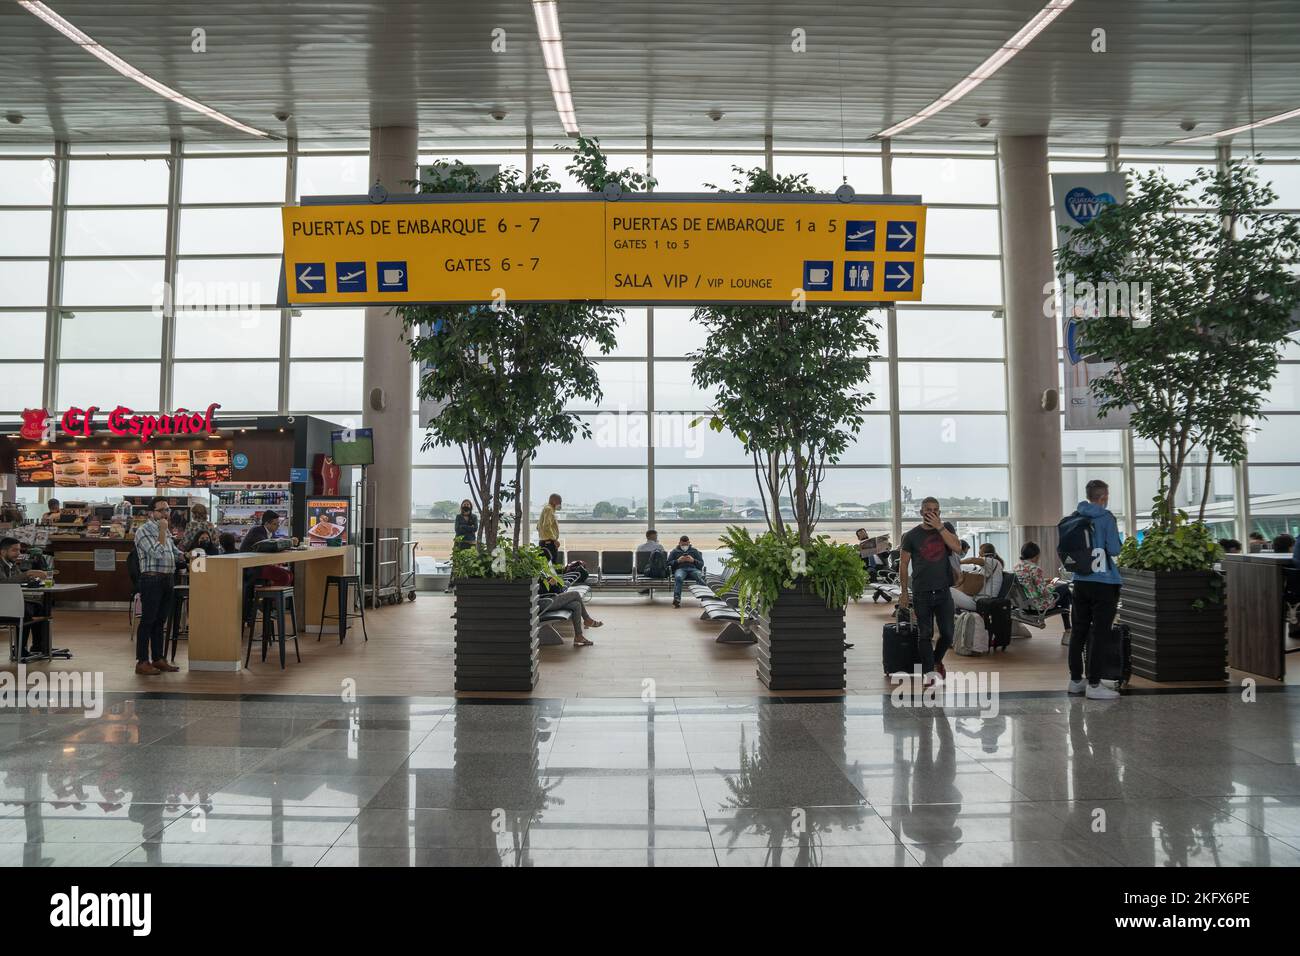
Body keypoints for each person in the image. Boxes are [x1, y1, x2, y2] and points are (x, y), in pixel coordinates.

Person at [1066, 479, 1124, 700]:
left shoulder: (1076, 516)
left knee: (1078, 630)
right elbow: (1114, 548)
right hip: (1104, 582)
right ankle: (1094, 683)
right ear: (1103, 497)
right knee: (1100, 632)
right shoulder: (1106, 517)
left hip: (1080, 581)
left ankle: (1075, 680)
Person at [898, 497, 961, 685]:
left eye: (935, 510)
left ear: (939, 513)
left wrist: (940, 527)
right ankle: (929, 673)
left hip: (943, 592)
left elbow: (957, 548)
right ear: (921, 512)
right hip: (921, 592)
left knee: (948, 634)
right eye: (927, 509)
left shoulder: (946, 529)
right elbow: (903, 564)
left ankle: (935, 660)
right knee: (925, 634)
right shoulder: (910, 536)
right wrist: (903, 592)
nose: (931, 512)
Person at [132, 497, 185, 675]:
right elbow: (156, 553)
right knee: (148, 620)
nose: (165, 513)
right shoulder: (143, 531)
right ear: (151, 513)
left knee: (160, 621)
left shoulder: (165, 531)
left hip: (167, 579)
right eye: (161, 510)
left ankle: (158, 659)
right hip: (151, 580)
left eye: (167, 510)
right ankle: (142, 661)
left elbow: (173, 552)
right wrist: (163, 531)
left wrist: (187, 555)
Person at [0, 536, 51, 657]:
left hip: (8, 603)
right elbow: (3, 583)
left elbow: (17, 580)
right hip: (3, 606)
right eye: (14, 550)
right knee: (25, 611)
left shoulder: (12, 564)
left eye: (19, 550)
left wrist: (32, 579)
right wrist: (27, 574)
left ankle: (39, 646)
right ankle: (20, 649)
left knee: (39, 608)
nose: (18, 553)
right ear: (3, 551)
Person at [1012, 542, 1071, 626]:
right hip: (1038, 605)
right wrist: (1053, 584)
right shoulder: (1035, 569)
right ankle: (1068, 627)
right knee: (1065, 588)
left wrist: (1044, 581)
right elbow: (1044, 592)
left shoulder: (1017, 567)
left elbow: (1027, 582)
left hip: (1025, 605)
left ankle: (1069, 628)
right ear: (1035, 556)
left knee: (1065, 595)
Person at [539, 574, 603, 647]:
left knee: (576, 605)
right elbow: (540, 592)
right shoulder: (535, 577)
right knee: (575, 594)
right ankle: (587, 619)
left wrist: (554, 584)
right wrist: (547, 583)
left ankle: (579, 636)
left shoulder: (543, 575)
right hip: (545, 602)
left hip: (551, 600)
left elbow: (558, 591)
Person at [951, 542, 1004, 612]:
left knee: (948, 591)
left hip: (982, 601)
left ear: (984, 553)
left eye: (980, 553)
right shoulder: (987, 567)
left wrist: (959, 562)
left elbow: (972, 560)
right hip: (977, 599)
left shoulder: (993, 562)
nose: (979, 556)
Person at [667, 534, 706, 608]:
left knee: (700, 577)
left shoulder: (694, 551)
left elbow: (701, 564)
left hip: (693, 569)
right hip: (680, 569)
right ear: (679, 543)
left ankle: (705, 599)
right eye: (683, 544)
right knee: (678, 577)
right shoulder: (674, 551)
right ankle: (677, 599)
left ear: (689, 543)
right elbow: (668, 563)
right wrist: (677, 561)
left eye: (686, 544)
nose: (684, 546)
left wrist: (693, 560)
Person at [536, 493, 562, 564]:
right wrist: (554, 540)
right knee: (552, 567)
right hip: (549, 544)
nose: (560, 504)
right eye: (559, 501)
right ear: (554, 501)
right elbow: (546, 526)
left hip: (543, 543)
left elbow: (538, 526)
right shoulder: (549, 509)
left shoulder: (545, 509)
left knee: (544, 566)